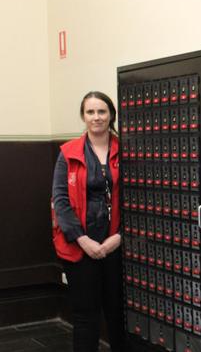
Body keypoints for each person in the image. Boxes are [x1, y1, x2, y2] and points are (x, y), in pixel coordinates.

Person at [52, 91, 125, 351]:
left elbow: (138, 198)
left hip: (116, 246)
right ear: (83, 116)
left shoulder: (125, 150)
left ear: (111, 115)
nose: (97, 117)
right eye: (91, 112)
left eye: (102, 111)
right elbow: (60, 202)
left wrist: (119, 237)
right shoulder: (68, 153)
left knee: (119, 314)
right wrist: (84, 241)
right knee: (86, 316)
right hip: (79, 248)